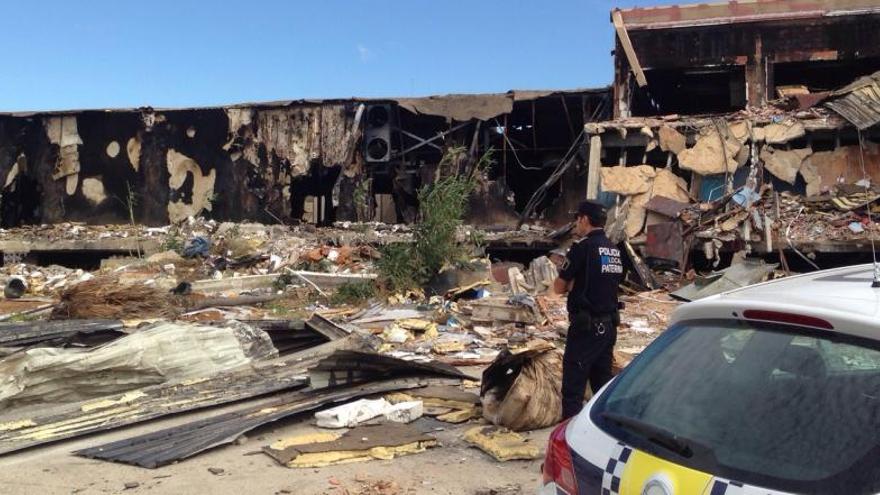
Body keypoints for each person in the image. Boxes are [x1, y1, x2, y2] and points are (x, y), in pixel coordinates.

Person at [553, 200, 624, 419]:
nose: (575, 224)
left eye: (577, 219)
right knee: (601, 386)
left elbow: (558, 287)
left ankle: (568, 439)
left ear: (584, 219)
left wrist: (574, 284)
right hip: (609, 327)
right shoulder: (614, 250)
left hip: (586, 328)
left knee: (573, 388)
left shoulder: (581, 248)